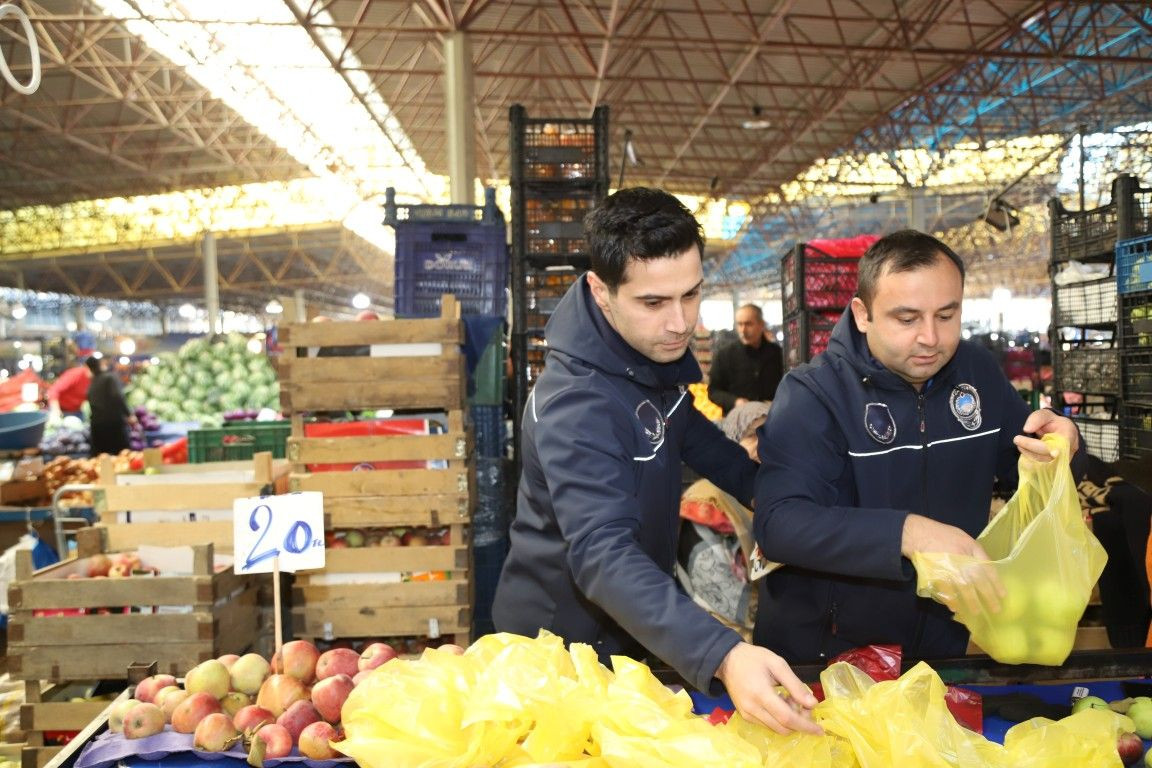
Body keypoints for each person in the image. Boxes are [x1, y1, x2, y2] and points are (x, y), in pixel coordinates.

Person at [492, 187, 819, 734]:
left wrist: (769, 492)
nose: (679, 322)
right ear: (600, 291)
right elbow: (599, 555)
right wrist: (724, 653)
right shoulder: (576, 403)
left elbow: (691, 431)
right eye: (654, 302)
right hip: (559, 655)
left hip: (628, 629)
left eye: (690, 295)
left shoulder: (643, 355)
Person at [752, 229, 1082, 664]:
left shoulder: (976, 372)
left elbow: (1023, 464)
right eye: (907, 319)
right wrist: (907, 533)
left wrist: (1062, 447)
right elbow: (779, 525)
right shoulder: (814, 394)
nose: (930, 337)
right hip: (826, 653)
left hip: (941, 646)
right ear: (863, 314)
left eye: (946, 315)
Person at [707, 304, 784, 415]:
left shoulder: (777, 353)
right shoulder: (724, 355)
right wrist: (735, 401)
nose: (743, 330)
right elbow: (713, 391)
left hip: (771, 419)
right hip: (737, 421)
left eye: (748, 324)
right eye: (740, 324)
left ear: (761, 324)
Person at [85, 356, 135, 457]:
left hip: (97, 426)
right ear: (100, 364)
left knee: (100, 459)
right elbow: (118, 397)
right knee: (122, 456)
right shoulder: (110, 377)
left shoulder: (94, 382)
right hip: (113, 424)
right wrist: (129, 415)